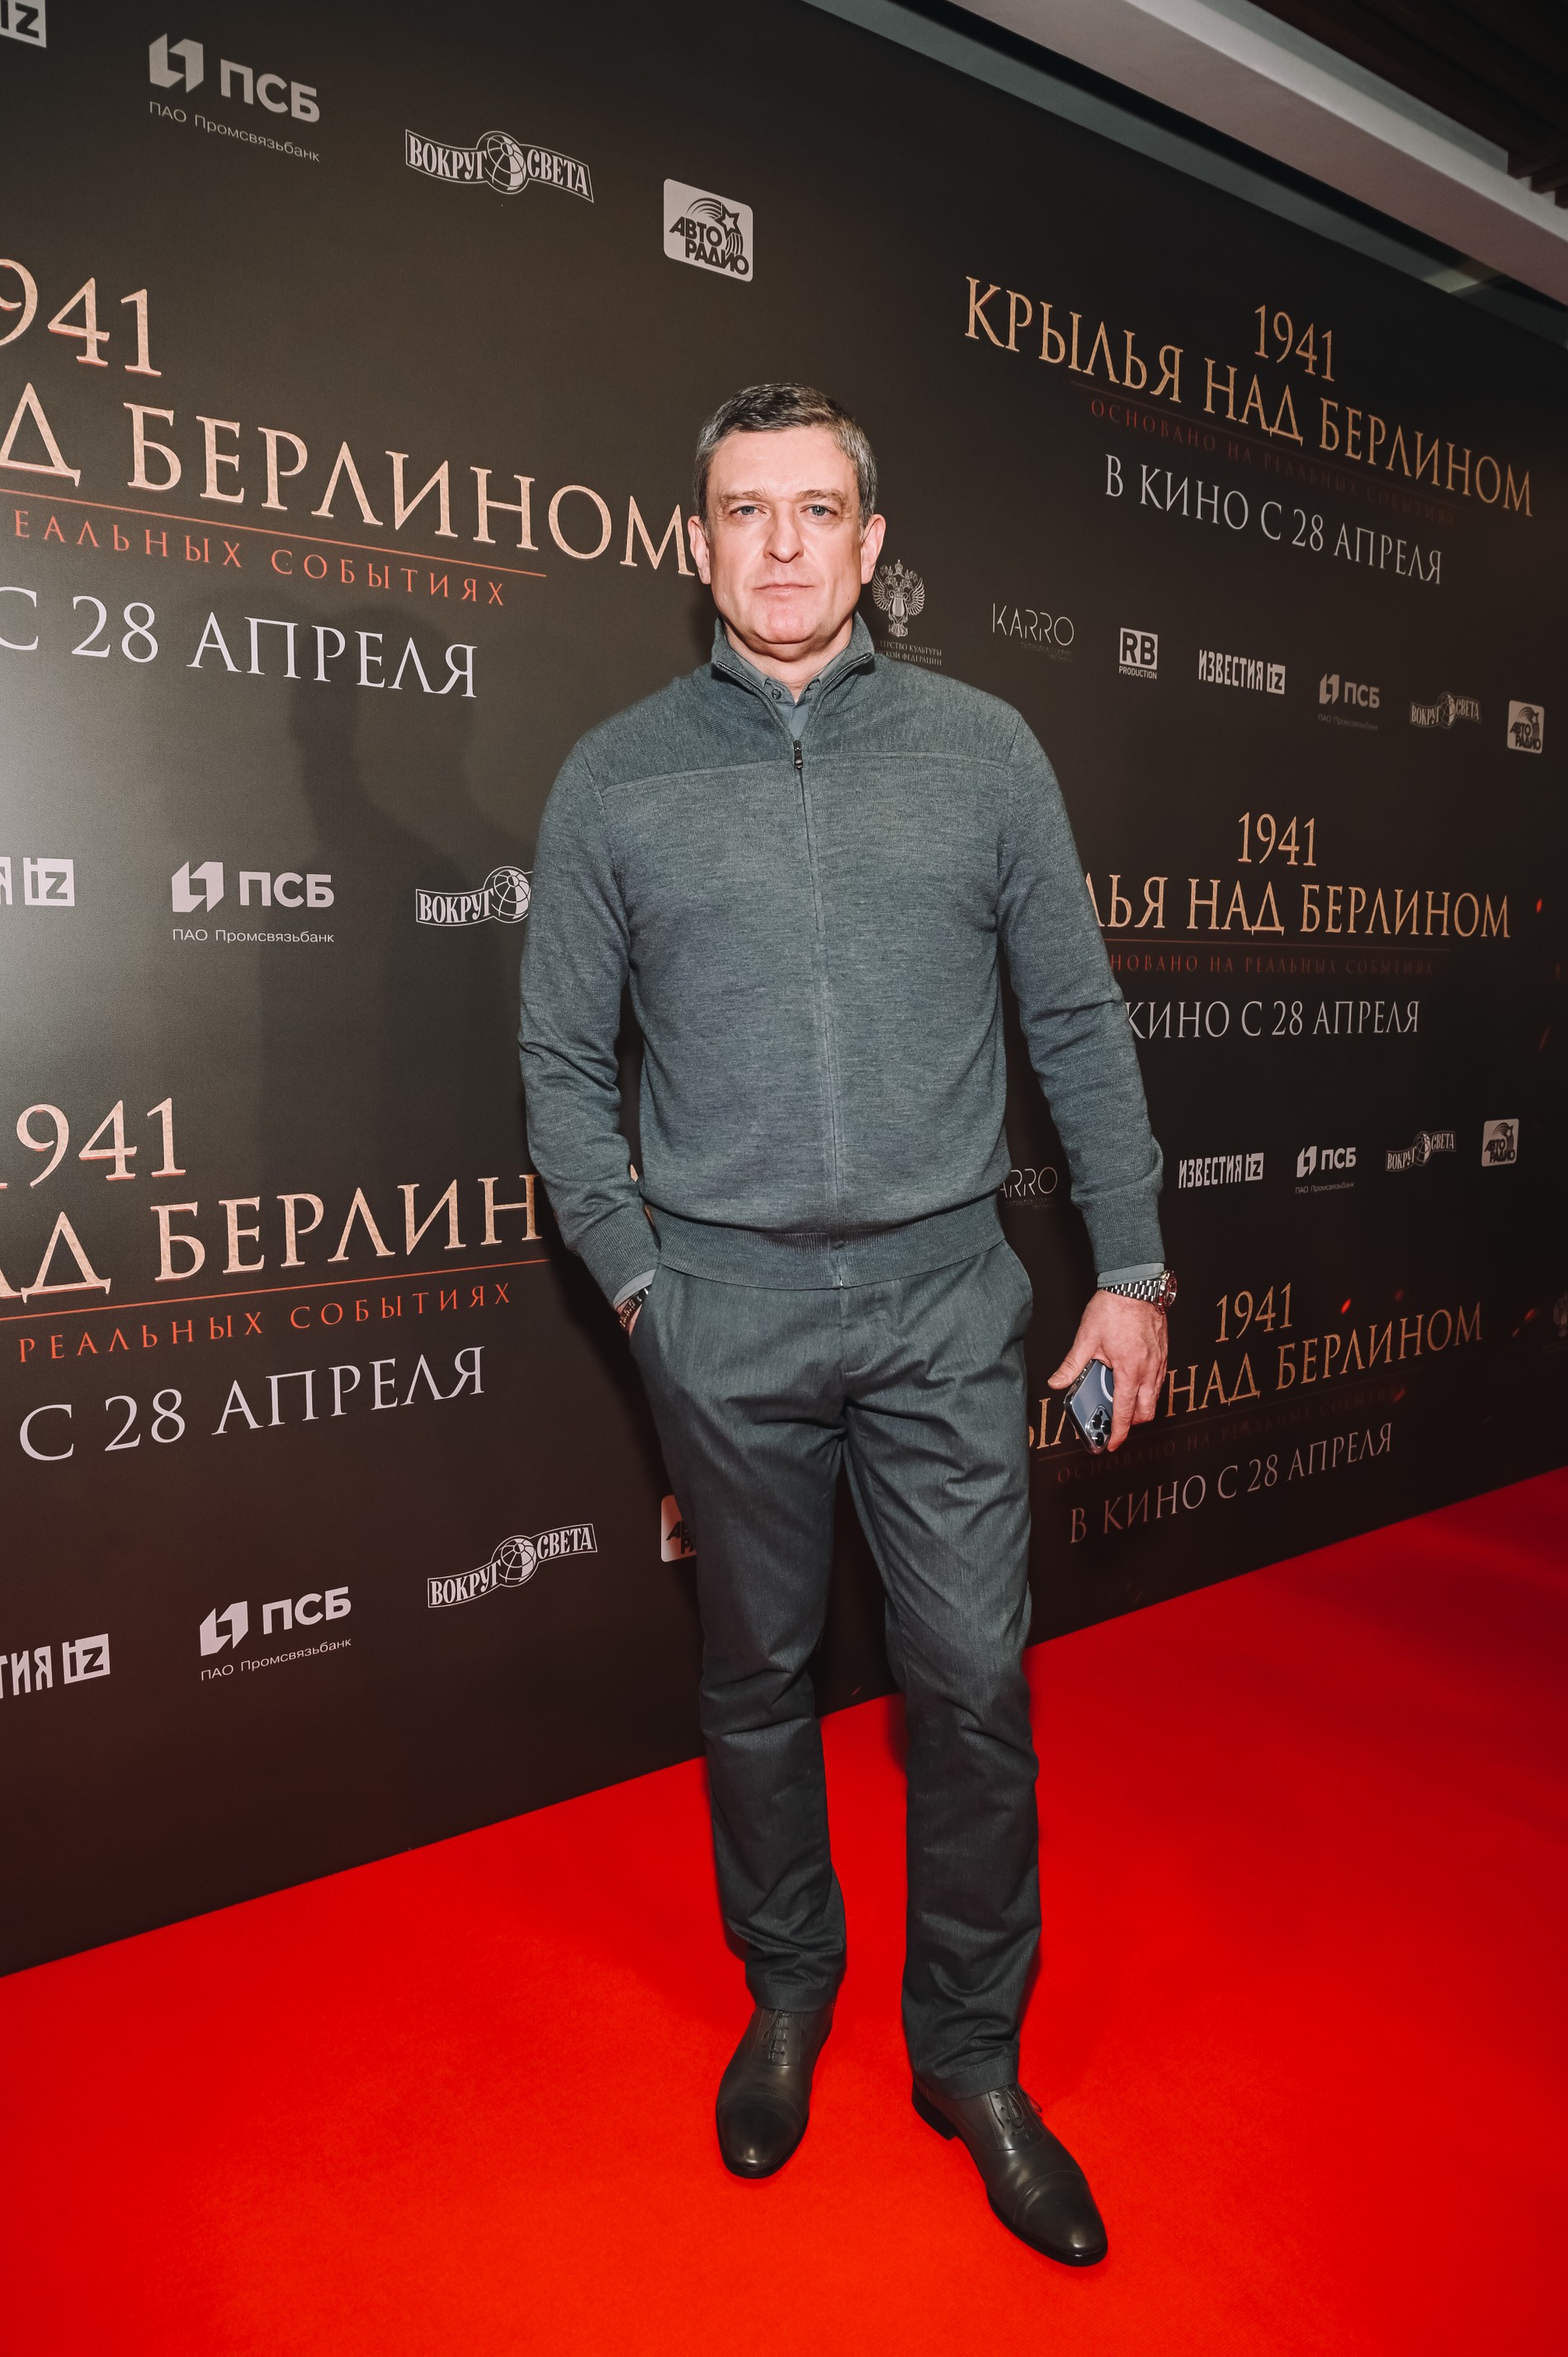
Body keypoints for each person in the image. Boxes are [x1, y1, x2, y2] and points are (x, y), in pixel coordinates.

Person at [519, 384, 1171, 2265]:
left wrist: (1131, 1267)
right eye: (747, 510)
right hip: (719, 1315)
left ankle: (967, 2053)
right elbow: (559, 1065)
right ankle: (788, 1989)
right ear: (695, 545)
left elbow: (1075, 1021)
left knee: (971, 1688)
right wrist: (644, 1288)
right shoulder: (613, 777)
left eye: (818, 509)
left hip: (943, 1308)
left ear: (873, 544)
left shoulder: (983, 751)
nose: (784, 543)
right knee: (753, 1681)